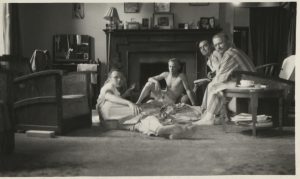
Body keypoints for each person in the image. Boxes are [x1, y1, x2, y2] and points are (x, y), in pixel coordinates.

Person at [96, 68, 196, 139]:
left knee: (138, 124)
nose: (119, 79)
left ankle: (163, 131)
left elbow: (115, 100)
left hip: (111, 122)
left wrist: (126, 94)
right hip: (108, 111)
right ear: (109, 79)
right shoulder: (108, 86)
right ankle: (170, 128)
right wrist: (129, 103)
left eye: (121, 78)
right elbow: (109, 96)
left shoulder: (114, 90)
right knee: (143, 112)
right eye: (116, 77)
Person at [194, 32, 256, 125]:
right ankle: (211, 116)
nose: (218, 47)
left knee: (217, 87)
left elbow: (220, 77)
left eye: (220, 43)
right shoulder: (233, 51)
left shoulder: (230, 54)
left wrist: (215, 82)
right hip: (247, 82)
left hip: (249, 84)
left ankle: (209, 117)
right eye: (216, 45)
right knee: (218, 85)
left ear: (228, 41)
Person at [194, 40, 221, 109]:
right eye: (200, 48)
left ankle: (208, 109)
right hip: (218, 79)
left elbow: (223, 67)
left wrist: (214, 73)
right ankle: (207, 109)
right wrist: (212, 74)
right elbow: (216, 71)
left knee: (210, 86)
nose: (202, 49)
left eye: (205, 46)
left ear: (211, 46)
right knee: (208, 86)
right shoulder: (208, 61)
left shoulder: (216, 53)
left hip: (224, 77)